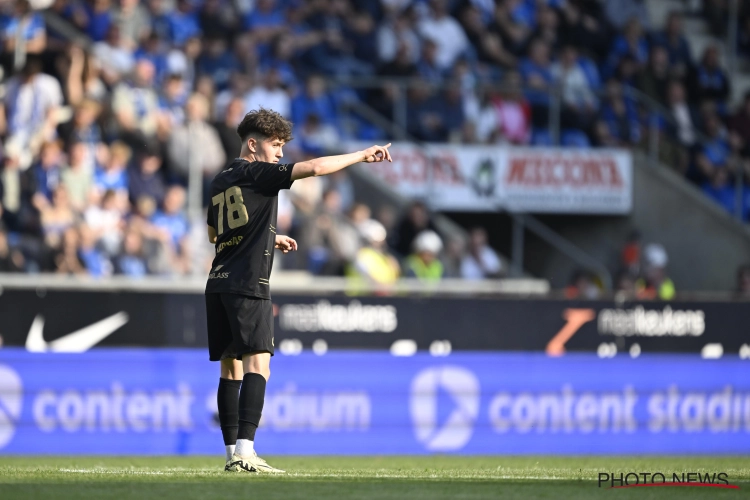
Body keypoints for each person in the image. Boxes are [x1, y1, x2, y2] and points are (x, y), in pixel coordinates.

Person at [205, 108, 391, 474]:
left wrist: (268, 239)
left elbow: (216, 235)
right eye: (275, 146)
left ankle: (231, 455)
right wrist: (361, 154)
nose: (279, 154)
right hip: (247, 282)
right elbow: (315, 168)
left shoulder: (219, 179)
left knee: (230, 370)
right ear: (253, 144)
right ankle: (247, 451)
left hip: (218, 282)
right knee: (259, 364)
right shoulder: (258, 173)